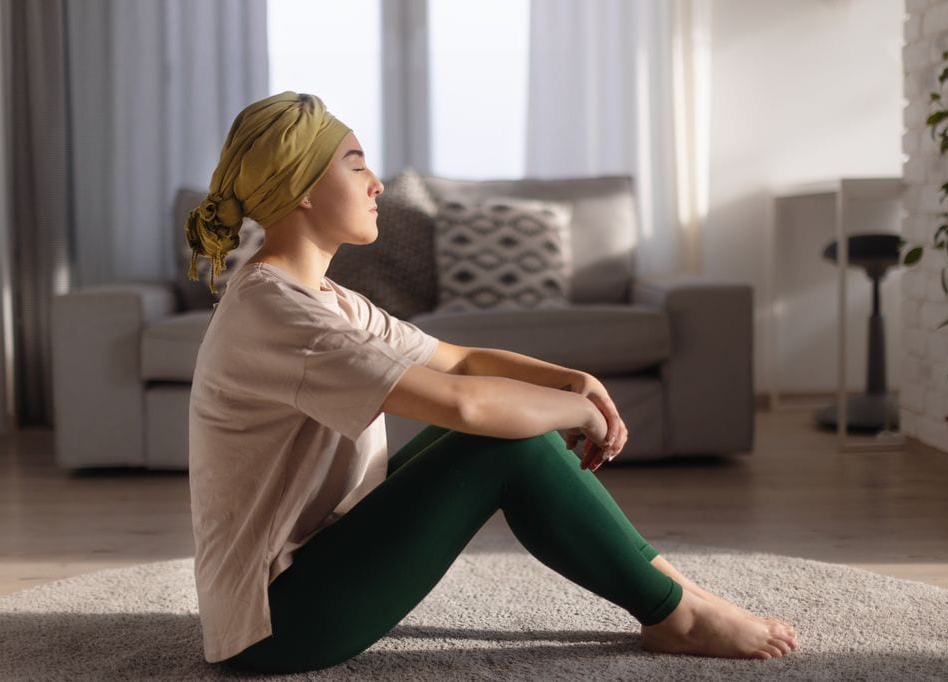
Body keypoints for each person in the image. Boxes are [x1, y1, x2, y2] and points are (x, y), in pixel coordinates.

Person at [184, 91, 798, 674]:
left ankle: (675, 591)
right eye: (356, 166)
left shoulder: (322, 299)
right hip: (278, 624)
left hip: (313, 569)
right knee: (512, 438)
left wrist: (571, 379)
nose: (376, 184)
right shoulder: (280, 313)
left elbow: (457, 361)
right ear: (302, 191)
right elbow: (465, 404)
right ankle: (679, 617)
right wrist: (571, 412)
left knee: (511, 426)